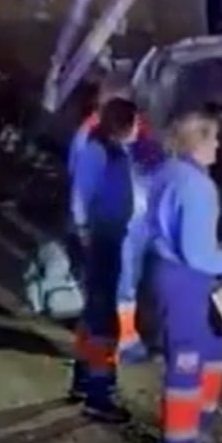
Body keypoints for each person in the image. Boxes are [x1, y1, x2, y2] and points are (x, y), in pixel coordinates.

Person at [146, 110, 222, 443]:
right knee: (189, 358)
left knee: (210, 349)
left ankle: (197, 428)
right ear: (196, 142)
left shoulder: (168, 171)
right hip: (188, 280)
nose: (218, 145)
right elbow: (197, 252)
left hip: (168, 272)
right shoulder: (199, 187)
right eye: (212, 139)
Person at [68, 76, 162, 362]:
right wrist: (83, 225)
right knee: (115, 287)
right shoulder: (91, 142)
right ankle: (109, 349)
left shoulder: (128, 138)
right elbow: (82, 189)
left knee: (125, 282)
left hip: (130, 226)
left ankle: (112, 344)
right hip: (110, 229)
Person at [67, 97, 144, 423]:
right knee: (102, 320)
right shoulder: (98, 152)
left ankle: (84, 380)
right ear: (124, 124)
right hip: (101, 240)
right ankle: (99, 394)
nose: (140, 128)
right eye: (136, 122)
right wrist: (85, 230)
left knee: (94, 313)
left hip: (108, 238)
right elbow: (81, 195)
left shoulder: (114, 151)